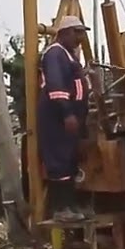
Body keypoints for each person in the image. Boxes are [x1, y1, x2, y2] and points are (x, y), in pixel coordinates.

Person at [38, 15, 91, 222]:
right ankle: (60, 208)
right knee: (59, 160)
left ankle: (71, 206)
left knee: (69, 160)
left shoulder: (68, 55)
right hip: (57, 118)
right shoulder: (55, 54)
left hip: (69, 119)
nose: (80, 38)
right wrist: (67, 113)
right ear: (66, 32)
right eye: (77, 33)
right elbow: (57, 85)